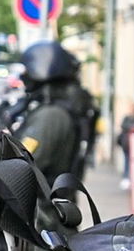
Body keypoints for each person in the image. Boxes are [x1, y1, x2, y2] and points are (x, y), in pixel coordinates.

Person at [11, 40, 89, 187]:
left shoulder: (51, 116)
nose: (24, 76)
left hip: (40, 207)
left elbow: (21, 166)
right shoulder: (58, 110)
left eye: (27, 70)